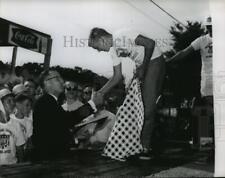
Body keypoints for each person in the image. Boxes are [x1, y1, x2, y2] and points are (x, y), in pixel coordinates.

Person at [88, 28, 165, 161]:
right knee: (136, 108)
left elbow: (150, 43)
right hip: (143, 66)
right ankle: (138, 145)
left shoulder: (122, 34)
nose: (99, 51)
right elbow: (117, 77)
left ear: (102, 39)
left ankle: (145, 147)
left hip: (155, 61)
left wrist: (143, 67)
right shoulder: (113, 51)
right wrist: (101, 93)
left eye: (97, 47)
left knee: (147, 109)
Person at [167, 16, 213, 160]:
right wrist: (168, 62)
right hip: (208, 84)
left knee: (211, 116)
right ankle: (206, 150)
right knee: (206, 115)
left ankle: (208, 150)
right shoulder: (201, 40)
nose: (211, 28)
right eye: (209, 26)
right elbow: (183, 53)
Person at [32, 70, 103, 161]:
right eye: (57, 78)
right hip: (48, 159)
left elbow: (58, 127)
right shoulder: (46, 102)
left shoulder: (51, 102)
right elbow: (68, 119)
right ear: (47, 83)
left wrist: (74, 139)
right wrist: (92, 104)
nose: (62, 81)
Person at [0, 89, 25, 165]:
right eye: (9, 101)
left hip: (12, 167)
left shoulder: (16, 124)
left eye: (13, 101)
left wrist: (21, 167)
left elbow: (20, 149)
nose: (13, 104)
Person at [10, 94, 33, 160]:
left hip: (23, 154)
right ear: (18, 105)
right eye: (27, 105)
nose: (29, 108)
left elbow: (29, 141)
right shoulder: (10, 119)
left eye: (30, 106)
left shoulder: (28, 122)